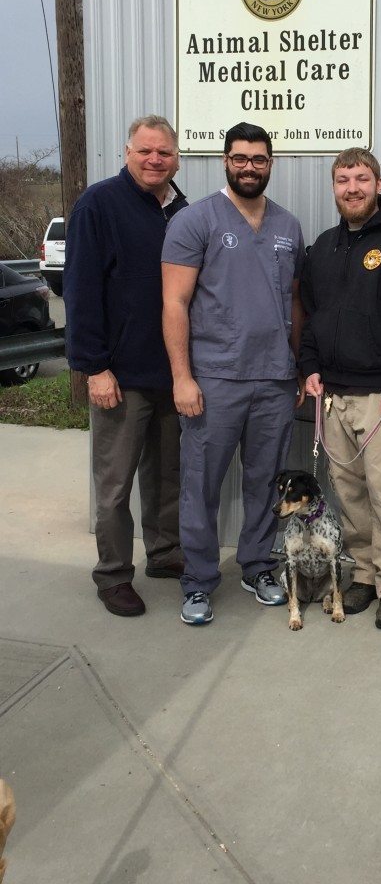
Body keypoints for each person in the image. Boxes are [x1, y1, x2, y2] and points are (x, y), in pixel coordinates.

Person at [162, 122, 305, 626]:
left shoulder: (288, 226)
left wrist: (297, 365)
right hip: (215, 377)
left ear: (271, 163)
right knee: (201, 483)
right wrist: (182, 376)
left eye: (259, 159)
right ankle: (199, 581)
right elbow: (174, 303)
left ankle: (257, 566)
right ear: (225, 160)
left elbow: (292, 302)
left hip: (274, 379)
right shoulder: (195, 221)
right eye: (240, 158)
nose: (250, 166)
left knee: (265, 482)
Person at [300, 148, 381, 631]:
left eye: (360, 178)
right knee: (350, 494)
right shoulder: (325, 245)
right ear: (333, 187)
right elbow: (313, 317)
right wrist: (310, 366)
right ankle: (366, 575)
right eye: (342, 180)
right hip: (333, 395)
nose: (351, 188)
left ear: (378, 182)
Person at [65, 115, 188, 617]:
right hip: (119, 374)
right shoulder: (99, 205)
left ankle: (164, 553)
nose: (155, 160)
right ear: (127, 152)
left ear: (176, 157)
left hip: (171, 370)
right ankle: (113, 574)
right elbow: (81, 290)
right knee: (114, 484)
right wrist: (94, 367)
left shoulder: (182, 210)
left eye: (163, 152)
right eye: (145, 151)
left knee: (166, 475)